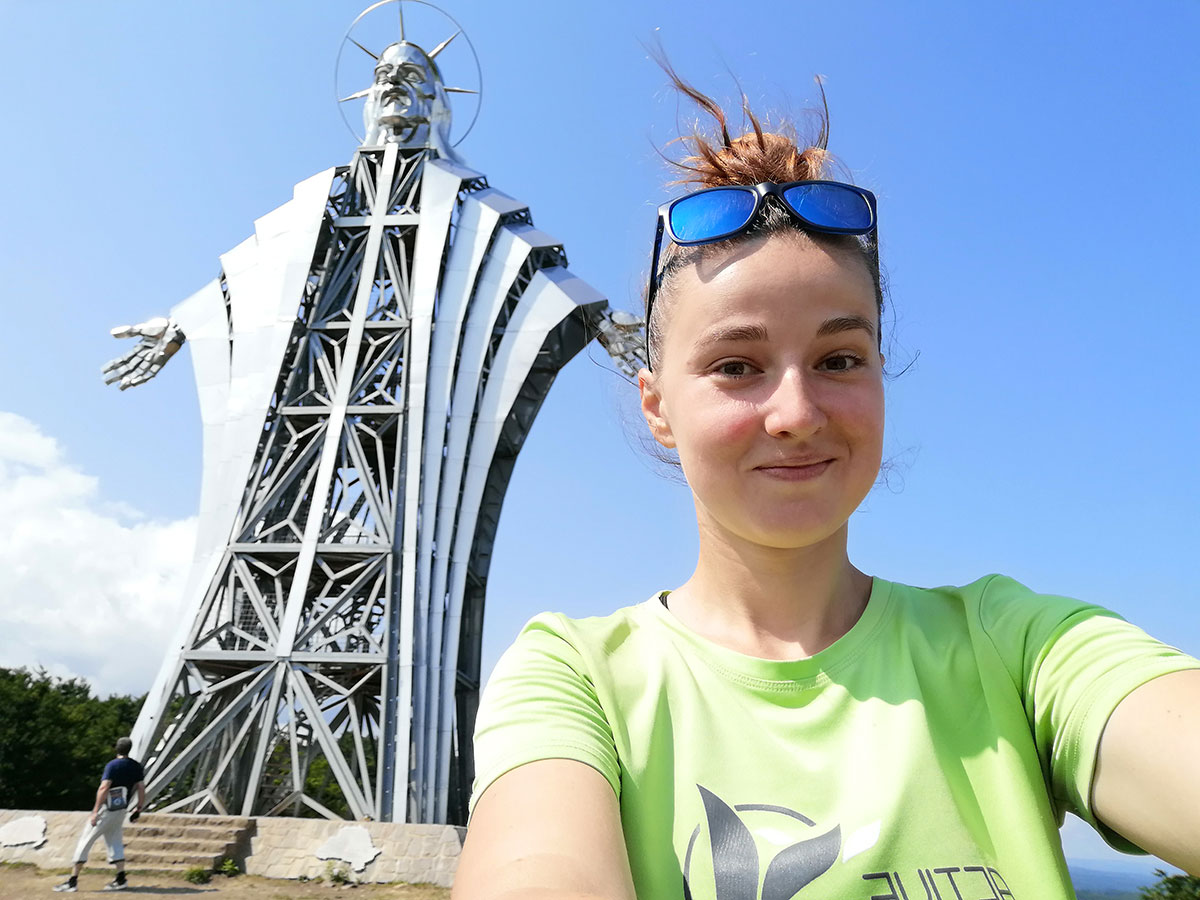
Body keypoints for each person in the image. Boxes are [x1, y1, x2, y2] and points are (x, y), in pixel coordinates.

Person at [451, 70, 1200, 900]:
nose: (797, 413)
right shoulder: (577, 677)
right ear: (657, 406)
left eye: (839, 359)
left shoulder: (1015, 648)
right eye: (737, 366)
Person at [54, 737, 145, 893]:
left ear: (116, 749)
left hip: (106, 810)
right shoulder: (136, 766)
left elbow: (104, 788)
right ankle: (121, 878)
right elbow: (141, 788)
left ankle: (72, 881)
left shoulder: (112, 766)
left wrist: (95, 811)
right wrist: (138, 808)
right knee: (115, 840)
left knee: (85, 841)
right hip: (121, 810)